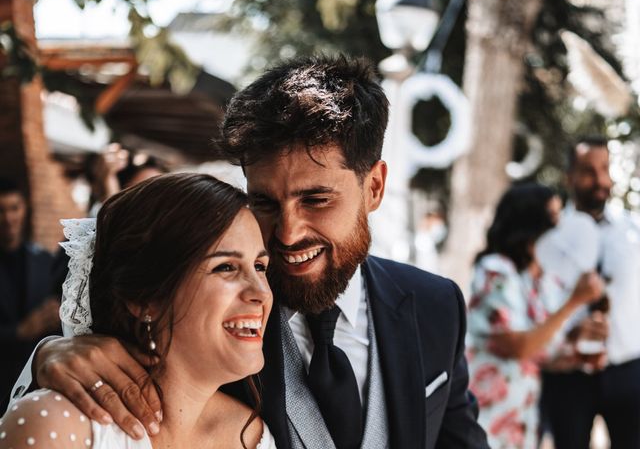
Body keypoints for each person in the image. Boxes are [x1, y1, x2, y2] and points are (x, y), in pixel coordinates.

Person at [10, 56, 489, 448]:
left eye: (316, 199)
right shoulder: (221, 313)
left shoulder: (434, 305)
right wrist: (48, 354)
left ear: (375, 187)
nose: (286, 233)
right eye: (264, 201)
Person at [1, 173, 275, 448]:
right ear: (145, 300)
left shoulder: (254, 437)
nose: (262, 293)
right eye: (225, 267)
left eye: (260, 267)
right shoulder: (56, 426)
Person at [465, 183, 603, 448]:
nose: (560, 229)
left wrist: (582, 351)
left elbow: (541, 353)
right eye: (553, 218)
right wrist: (574, 302)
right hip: (487, 418)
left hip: (521, 422)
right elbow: (518, 346)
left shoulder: (539, 280)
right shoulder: (496, 271)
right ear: (530, 224)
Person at [540, 136, 640, 449]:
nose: (599, 180)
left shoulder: (633, 231)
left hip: (629, 372)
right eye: (588, 171)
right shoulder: (549, 237)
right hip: (568, 375)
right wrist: (569, 332)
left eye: (604, 169)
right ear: (569, 176)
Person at [0, 178, 60, 413]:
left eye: (14, 208)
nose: (8, 218)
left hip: (36, 384)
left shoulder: (44, 260)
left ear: (24, 209)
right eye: (0, 210)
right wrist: (18, 332)